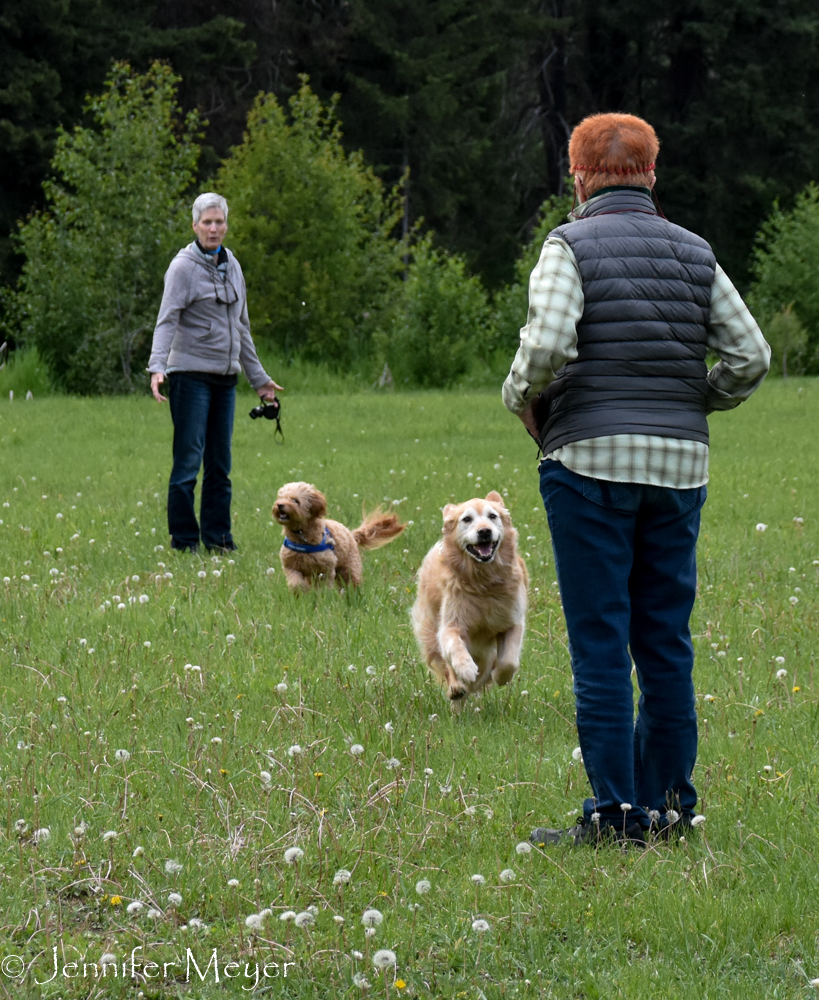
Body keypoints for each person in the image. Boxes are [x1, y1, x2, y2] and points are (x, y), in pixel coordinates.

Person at [502, 113, 770, 846]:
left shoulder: (568, 244)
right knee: (664, 640)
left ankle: (616, 815)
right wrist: (697, 399)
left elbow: (549, 341)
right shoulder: (695, 252)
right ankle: (671, 806)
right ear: (652, 174)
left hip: (586, 461)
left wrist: (519, 396)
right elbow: (750, 356)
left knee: (599, 640)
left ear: (578, 177)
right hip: (679, 467)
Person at [148, 192, 282, 552]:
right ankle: (184, 541)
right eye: (206, 222)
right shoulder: (182, 268)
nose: (213, 228)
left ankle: (219, 540)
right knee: (188, 465)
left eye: (219, 222)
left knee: (220, 466)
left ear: (226, 225)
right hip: (190, 376)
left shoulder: (233, 265)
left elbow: (242, 328)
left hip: (225, 380)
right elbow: (166, 321)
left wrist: (259, 380)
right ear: (194, 226)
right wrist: (157, 366)